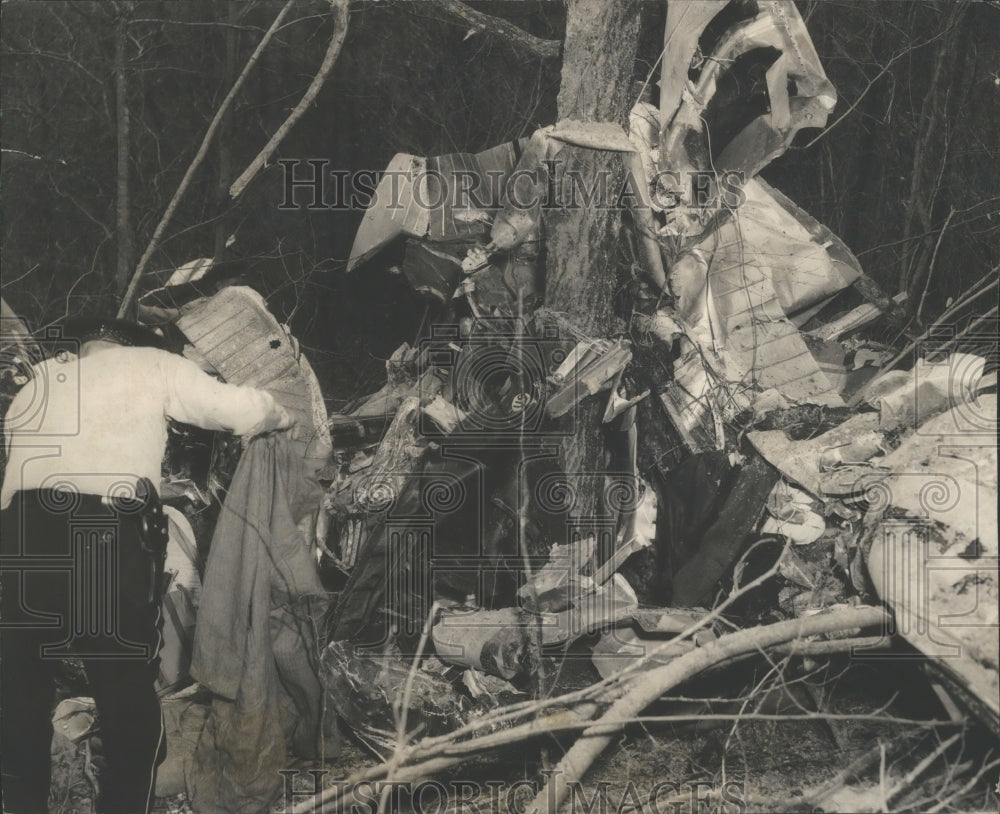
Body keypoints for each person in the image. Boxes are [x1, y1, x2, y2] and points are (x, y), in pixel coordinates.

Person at [0, 316, 294, 814]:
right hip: (102, 527)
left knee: (21, 681)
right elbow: (236, 411)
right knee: (121, 679)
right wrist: (279, 414)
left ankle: (23, 803)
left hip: (21, 531)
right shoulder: (153, 363)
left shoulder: (40, 381)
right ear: (132, 345)